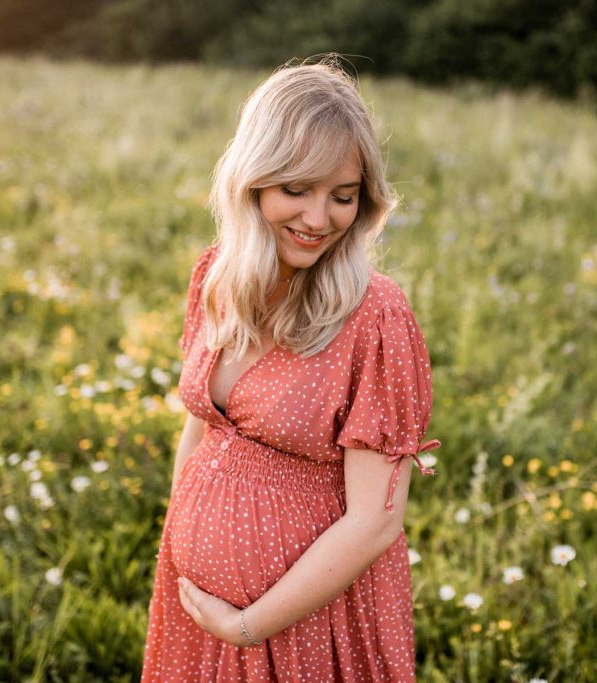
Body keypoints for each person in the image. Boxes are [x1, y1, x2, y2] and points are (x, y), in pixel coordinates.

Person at [140, 56, 441, 682]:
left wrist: (249, 624)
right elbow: (200, 427)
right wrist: (184, 544)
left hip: (306, 623)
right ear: (252, 183)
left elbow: (375, 521)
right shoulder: (217, 277)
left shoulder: (374, 316)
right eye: (295, 189)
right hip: (200, 609)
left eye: (342, 196)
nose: (318, 219)